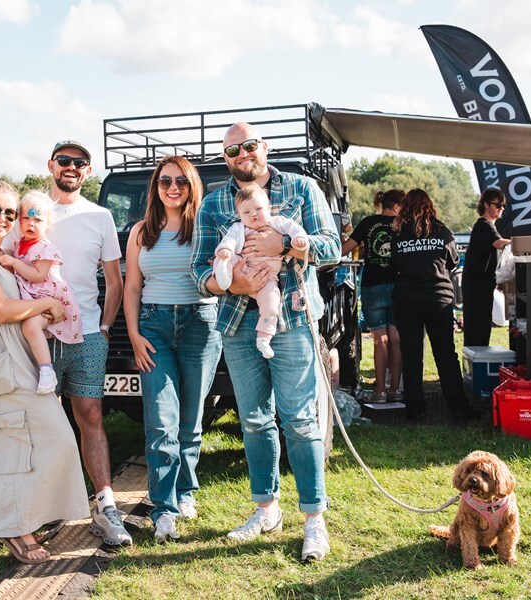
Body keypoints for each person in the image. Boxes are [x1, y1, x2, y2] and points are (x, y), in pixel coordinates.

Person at [0, 141, 130, 546]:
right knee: (39, 423)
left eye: (80, 162)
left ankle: (105, 507)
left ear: (88, 171)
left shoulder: (101, 215)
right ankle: (44, 510)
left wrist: (104, 328)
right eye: (65, 160)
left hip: (87, 333)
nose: (72, 167)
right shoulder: (19, 213)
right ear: (51, 165)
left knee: (90, 416)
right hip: (31, 335)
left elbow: (115, 280)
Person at [191, 123, 340, 562]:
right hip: (238, 324)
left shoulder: (301, 188)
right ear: (226, 157)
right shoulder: (215, 203)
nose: (242, 154)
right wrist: (229, 283)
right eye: (233, 149)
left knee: (299, 419)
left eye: (249, 145)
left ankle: (314, 518)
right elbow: (198, 271)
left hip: (293, 317)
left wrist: (288, 244)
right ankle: (266, 509)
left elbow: (332, 247)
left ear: (264, 148)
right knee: (254, 420)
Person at [0, 180, 89, 564]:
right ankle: (16, 530)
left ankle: (23, 517)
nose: (3, 218)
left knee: (38, 436)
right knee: (10, 443)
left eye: (11, 212)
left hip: (16, 351)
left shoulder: (6, 251)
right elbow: (3, 309)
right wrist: (48, 305)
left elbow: (6, 294)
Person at [124, 156, 222, 543]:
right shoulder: (140, 232)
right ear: (155, 187)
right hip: (154, 327)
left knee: (191, 421)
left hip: (202, 323)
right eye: (165, 181)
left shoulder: (206, 226)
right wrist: (133, 334)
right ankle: (163, 509)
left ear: (192, 184)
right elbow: (132, 287)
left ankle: (186, 492)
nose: (173, 187)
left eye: (181, 180)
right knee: (161, 422)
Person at [392, 189, 478, 423]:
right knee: (445, 354)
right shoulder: (443, 231)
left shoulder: (398, 235)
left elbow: (393, 264)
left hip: (407, 299)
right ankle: (459, 409)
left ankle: (415, 410)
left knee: (411, 356)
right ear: (430, 206)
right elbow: (453, 261)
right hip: (438, 299)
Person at [0, 191, 83, 395]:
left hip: (48, 296)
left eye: (37, 219)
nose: (31, 224)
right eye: (26, 218)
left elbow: (37, 275)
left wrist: (14, 263)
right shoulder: (19, 245)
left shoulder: (45, 248)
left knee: (30, 326)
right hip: (33, 298)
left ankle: (47, 370)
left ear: (48, 224)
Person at [213, 183, 308, 359]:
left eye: (258, 209)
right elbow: (229, 240)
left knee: (272, 305)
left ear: (269, 208)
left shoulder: (277, 222)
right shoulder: (238, 228)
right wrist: (225, 250)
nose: (253, 214)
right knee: (225, 256)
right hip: (242, 267)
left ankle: (263, 338)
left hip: (268, 278)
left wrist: (298, 238)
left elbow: (293, 228)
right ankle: (223, 274)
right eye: (246, 212)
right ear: (239, 215)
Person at [342, 189, 404, 402]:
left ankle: (379, 392)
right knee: (396, 339)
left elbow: (345, 249)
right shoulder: (403, 224)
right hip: (399, 286)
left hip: (373, 286)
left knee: (381, 341)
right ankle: (395, 390)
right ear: (396, 207)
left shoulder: (368, 223)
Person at [462, 188, 512, 347]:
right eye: (498, 205)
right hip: (476, 285)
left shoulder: (488, 226)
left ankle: (477, 359)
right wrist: (529, 243)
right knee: (478, 327)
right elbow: (499, 243)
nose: (502, 208)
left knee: (482, 326)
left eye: (503, 205)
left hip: (480, 284)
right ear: (486, 204)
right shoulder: (484, 225)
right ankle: (476, 363)